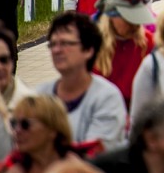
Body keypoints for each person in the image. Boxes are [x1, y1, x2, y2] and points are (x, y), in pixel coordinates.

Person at [37, 11, 126, 149]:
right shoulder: (40, 95)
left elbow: (93, 154)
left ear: (89, 49)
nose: (57, 50)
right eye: (53, 44)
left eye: (66, 43)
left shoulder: (106, 97)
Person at [0, 94, 81, 173]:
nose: (17, 130)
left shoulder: (76, 169)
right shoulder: (6, 170)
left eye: (26, 124)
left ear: (53, 130)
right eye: (14, 123)